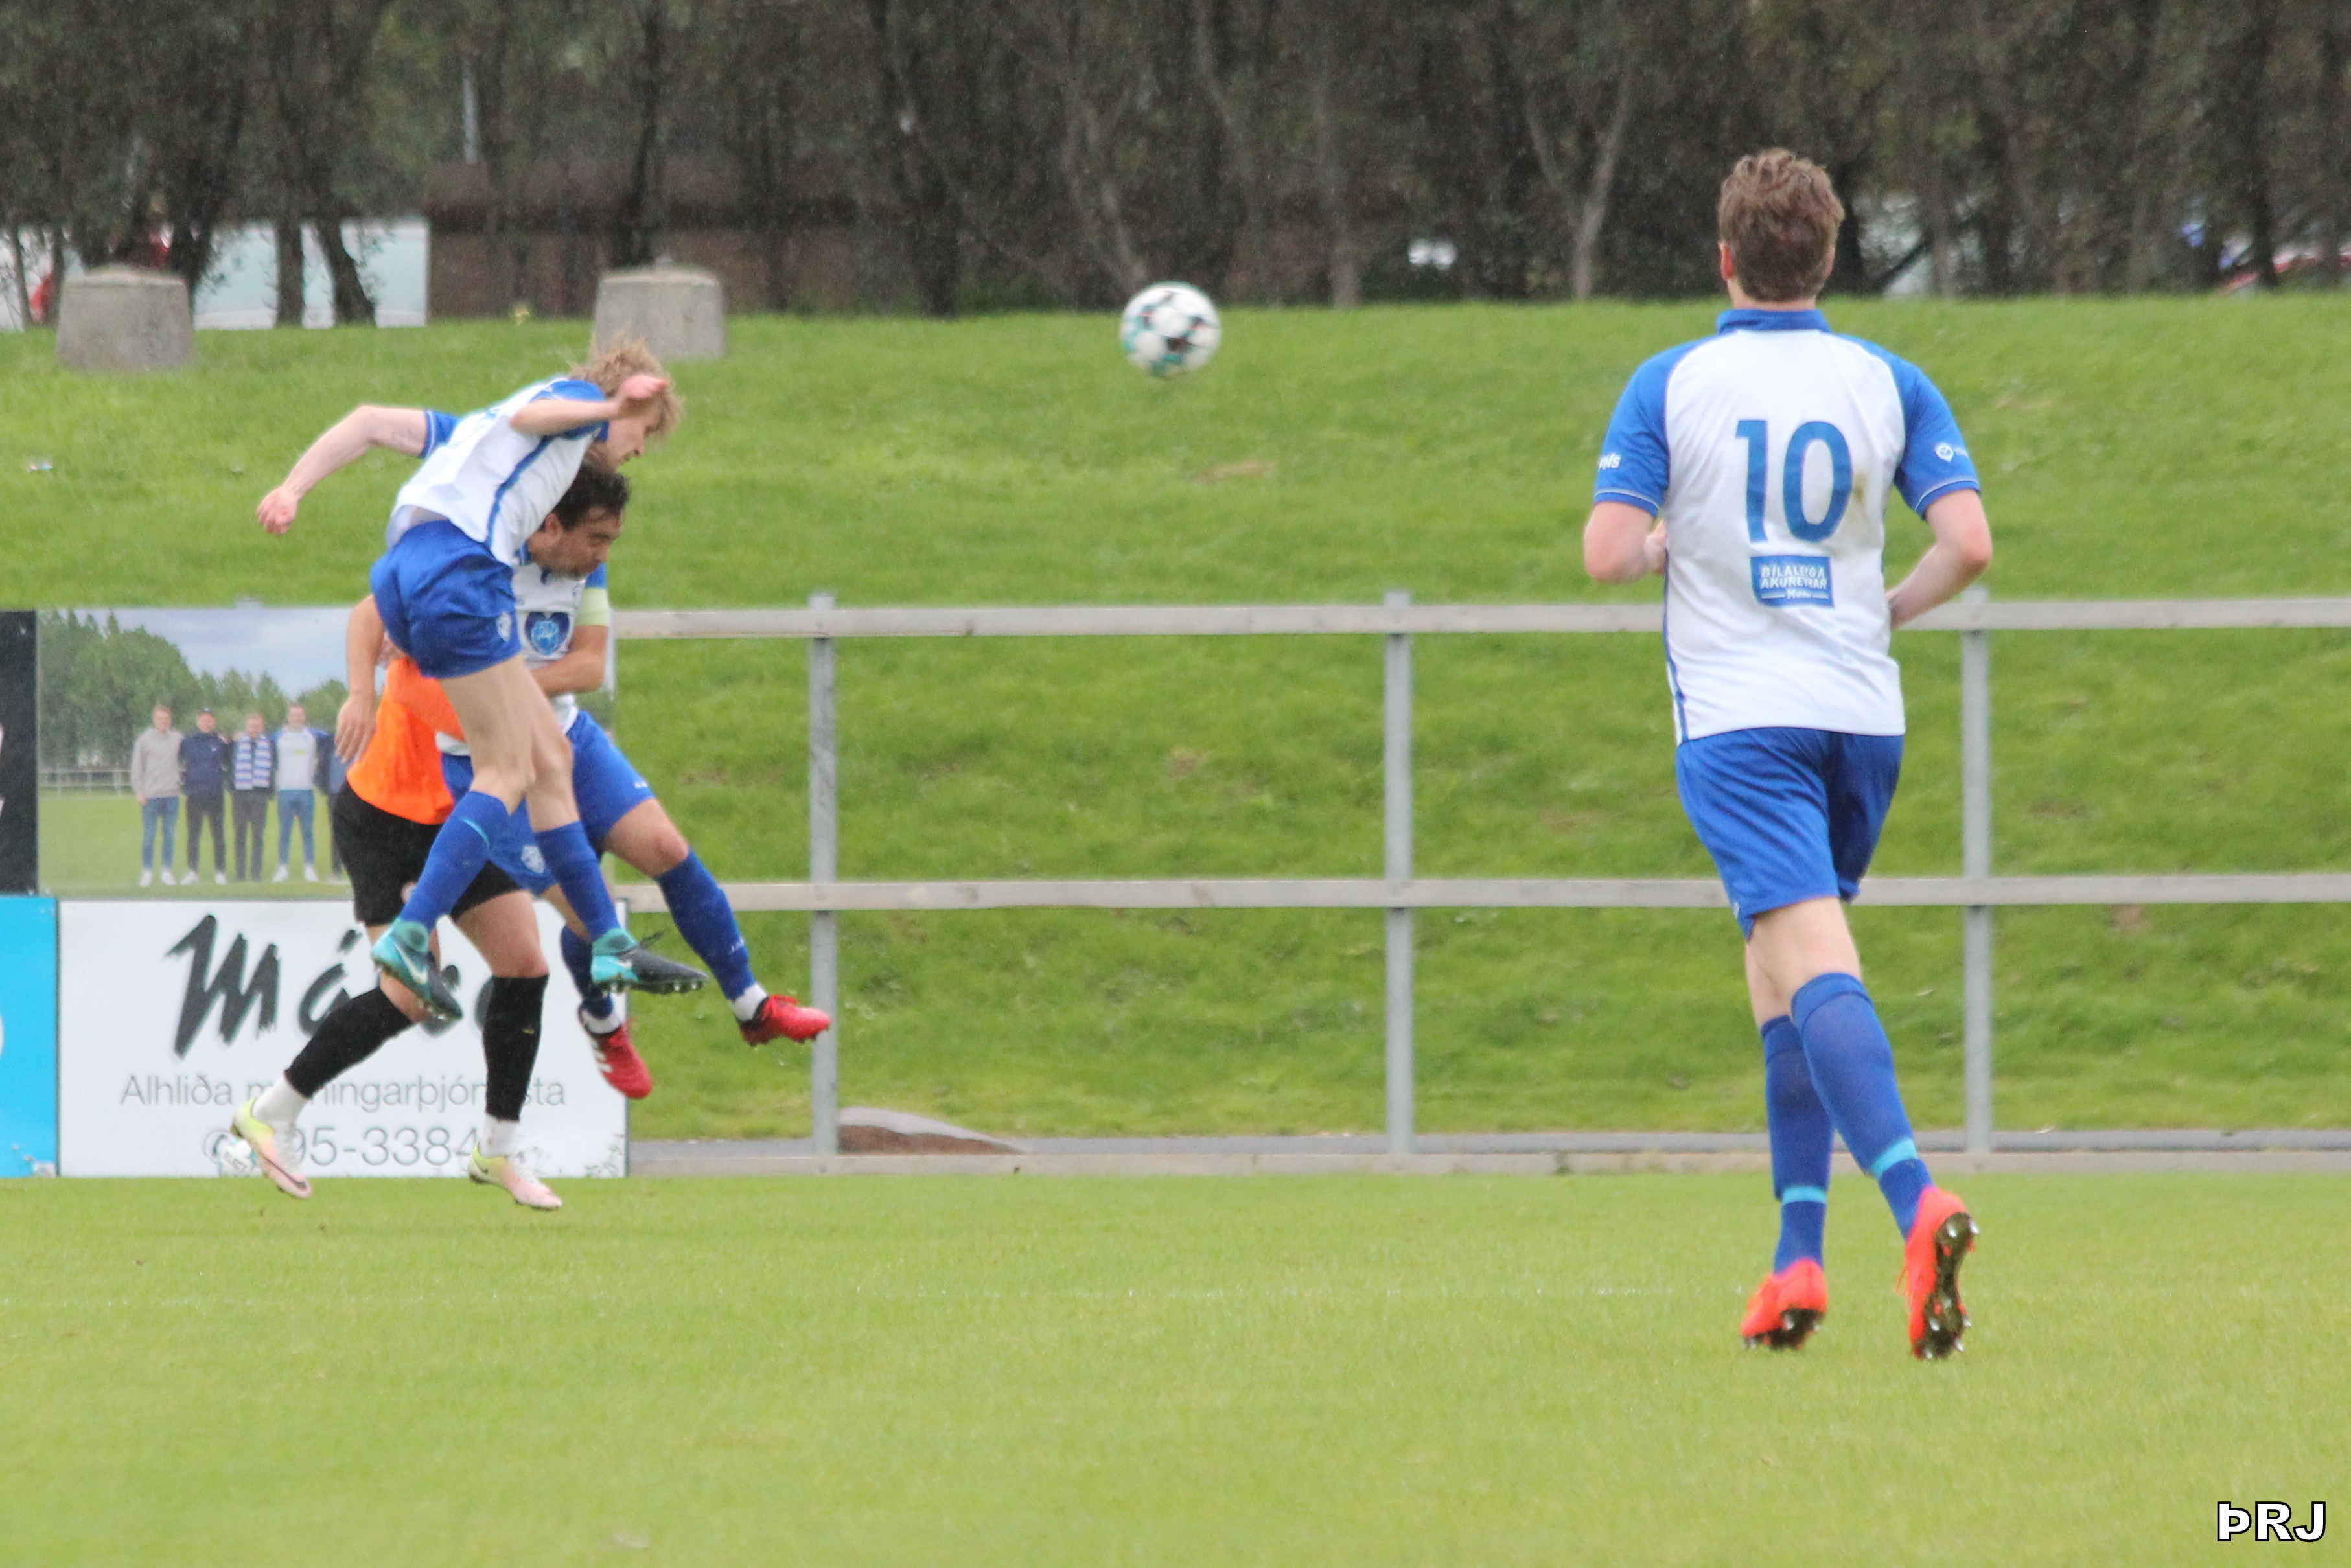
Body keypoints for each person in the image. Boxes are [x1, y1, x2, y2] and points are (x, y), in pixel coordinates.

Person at [1582, 150, 1995, 1360]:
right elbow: (1968, 543)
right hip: (1860, 720)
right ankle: (1793, 1261)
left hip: (1741, 723)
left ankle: (1917, 1202)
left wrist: (1662, 545)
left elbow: (1606, 554)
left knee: (1810, 959)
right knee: (1778, 970)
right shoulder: (1887, 379)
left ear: (1725, 259)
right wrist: (1883, 612)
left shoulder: (1671, 382)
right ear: (1827, 258)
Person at [340, 465, 828, 1101]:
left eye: (610, 540)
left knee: (666, 847)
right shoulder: (473, 554)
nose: (604, 555)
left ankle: (752, 1005)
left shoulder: (584, 567)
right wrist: (361, 695)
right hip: (488, 765)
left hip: (570, 738)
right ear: (550, 526)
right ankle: (604, 1022)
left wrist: (496, 684)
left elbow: (589, 665)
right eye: (596, 539)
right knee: (586, 904)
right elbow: (366, 615)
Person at [255, 340, 698, 1019]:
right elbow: (536, 418)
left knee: (549, 757)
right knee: (508, 769)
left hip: (410, 569)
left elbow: (370, 422)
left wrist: (293, 488)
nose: (638, 448)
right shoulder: (572, 411)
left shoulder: (477, 436)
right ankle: (411, 934)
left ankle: (608, 941)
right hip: (461, 576)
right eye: (642, 431)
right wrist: (609, 408)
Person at [228, 579, 569, 1209]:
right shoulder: (466, 582)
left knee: (525, 964)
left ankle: (497, 1148)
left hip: (460, 818)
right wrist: (362, 691)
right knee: (408, 996)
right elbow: (368, 610)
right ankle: (272, 1112)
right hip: (381, 819)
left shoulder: (531, 613)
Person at [272, 702, 330, 882]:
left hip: (306, 791)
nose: (296, 718)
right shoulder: (278, 736)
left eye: (299, 715)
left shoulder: (313, 735)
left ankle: (309, 867)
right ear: (288, 717)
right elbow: (261, 740)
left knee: (307, 832)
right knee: (285, 831)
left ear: (304, 717)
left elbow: (331, 738)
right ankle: (283, 867)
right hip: (285, 791)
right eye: (293, 715)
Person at [130, 704, 183, 887]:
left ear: (170, 720)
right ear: (154, 720)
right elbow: (137, 767)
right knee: (149, 835)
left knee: (169, 835)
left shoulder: (177, 739)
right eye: (160, 719)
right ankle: (147, 871)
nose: (163, 722)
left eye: (166, 719)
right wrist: (139, 791)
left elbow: (194, 746)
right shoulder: (144, 740)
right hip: (150, 796)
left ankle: (167, 871)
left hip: (171, 795)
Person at [180, 707, 231, 884]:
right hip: (194, 795)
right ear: (198, 722)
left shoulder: (221, 743)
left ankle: (220, 871)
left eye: (210, 720)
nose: (206, 723)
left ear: (214, 723)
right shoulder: (188, 742)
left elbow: (230, 762)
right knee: (193, 834)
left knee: (218, 834)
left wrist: (223, 780)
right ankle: (192, 871)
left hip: (215, 795)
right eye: (203, 720)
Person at [230, 713, 274, 882]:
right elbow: (229, 764)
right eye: (251, 726)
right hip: (240, 793)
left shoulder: (269, 745)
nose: (254, 729)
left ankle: (256, 872)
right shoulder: (237, 744)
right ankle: (240, 873)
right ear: (247, 727)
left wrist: (270, 790)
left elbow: (274, 766)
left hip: (259, 793)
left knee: (258, 835)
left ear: (262, 728)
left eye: (257, 726)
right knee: (240, 834)